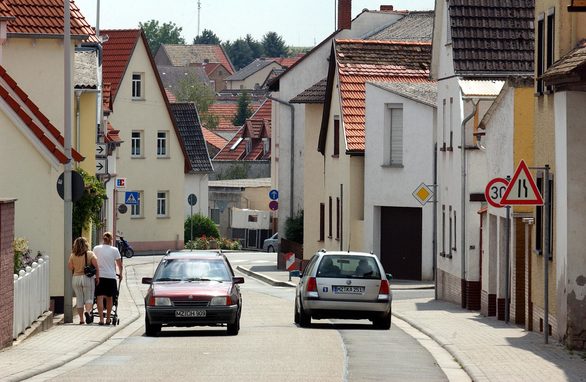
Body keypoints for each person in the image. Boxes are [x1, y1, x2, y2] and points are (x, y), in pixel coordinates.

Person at [93, 232, 123, 325]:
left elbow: (93, 261)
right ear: (111, 240)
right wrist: (120, 274)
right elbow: (119, 265)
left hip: (99, 276)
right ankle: (108, 319)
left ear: (103, 239)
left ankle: (101, 319)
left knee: (99, 297)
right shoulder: (114, 250)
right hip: (111, 276)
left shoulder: (96, 249)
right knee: (110, 298)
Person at [68, 237, 99, 324]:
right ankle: (88, 312)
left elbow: (70, 267)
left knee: (79, 299)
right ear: (86, 244)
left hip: (76, 278)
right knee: (89, 297)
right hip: (87, 278)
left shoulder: (72, 255)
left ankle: (81, 319)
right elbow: (96, 266)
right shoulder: (90, 254)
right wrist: (97, 277)